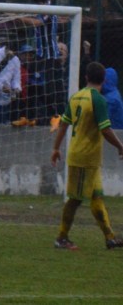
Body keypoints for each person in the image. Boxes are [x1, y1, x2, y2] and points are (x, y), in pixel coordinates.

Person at [51, 61, 123, 250]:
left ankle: (110, 238)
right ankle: (61, 238)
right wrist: (120, 146)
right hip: (84, 158)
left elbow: (63, 124)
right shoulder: (98, 100)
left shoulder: (76, 97)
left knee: (97, 196)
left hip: (84, 157)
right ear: (104, 80)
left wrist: (56, 148)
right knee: (75, 199)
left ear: (86, 78)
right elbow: (106, 129)